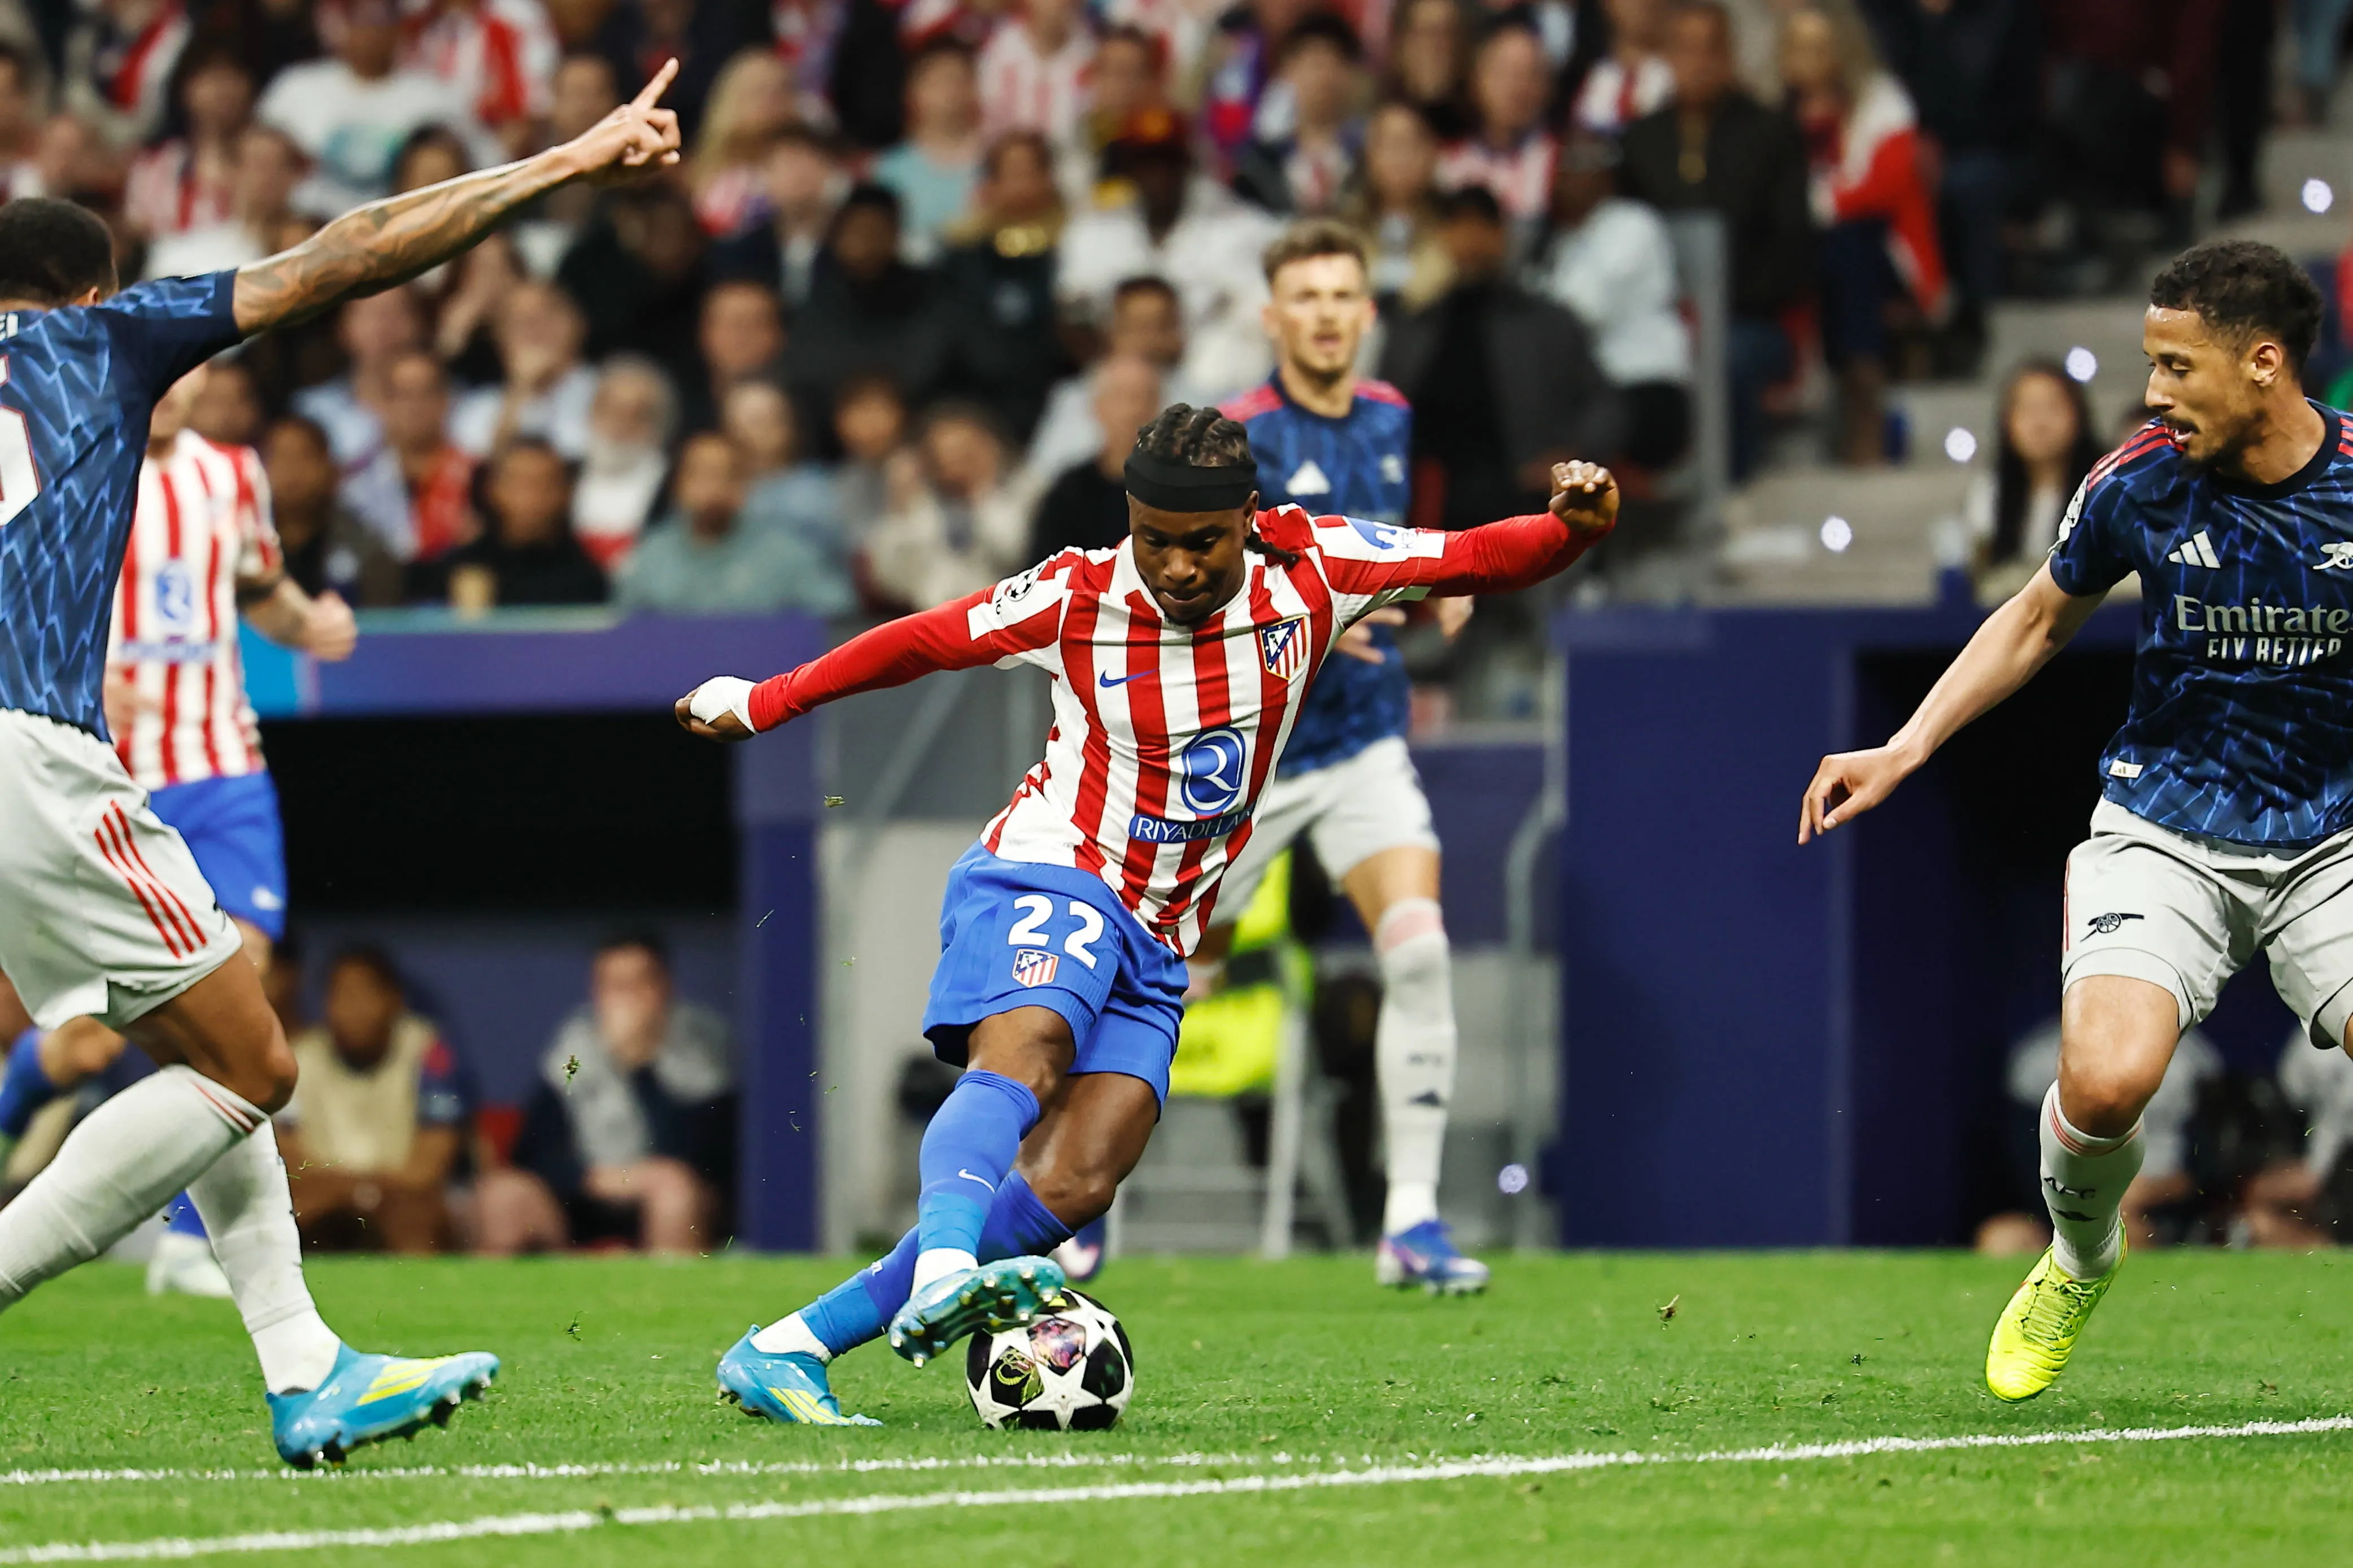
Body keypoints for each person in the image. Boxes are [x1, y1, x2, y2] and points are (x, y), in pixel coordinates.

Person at [0, 54, 681, 1465]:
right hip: (30, 745)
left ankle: (306, 1365)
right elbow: (344, 257)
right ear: (84, 293)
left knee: (199, 1031)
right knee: (251, 1062)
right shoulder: (99, 341)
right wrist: (560, 164)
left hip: (63, 760)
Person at [675, 408, 1618, 1423]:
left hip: (1162, 930)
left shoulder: (1318, 568)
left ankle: (789, 1345)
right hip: (1053, 869)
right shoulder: (1078, 592)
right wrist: (768, 699)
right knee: (1026, 1053)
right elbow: (923, 639)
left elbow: (1484, 554)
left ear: (1249, 520)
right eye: (1152, 536)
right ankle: (947, 1265)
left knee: (1078, 1181)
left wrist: (1578, 527)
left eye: (1199, 542)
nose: (1172, 565)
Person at [1796, 241, 2353, 1404]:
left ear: (2262, 366)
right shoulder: (2139, 478)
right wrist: (1905, 745)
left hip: (2329, 838)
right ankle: (2079, 1256)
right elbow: (2039, 617)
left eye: (2174, 363)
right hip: (2167, 823)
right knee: (2102, 1082)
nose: (2151, 389)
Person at [0, 359, 363, 1296]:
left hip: (225, 768)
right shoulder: (67, 461)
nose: (172, 386)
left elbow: (259, 586)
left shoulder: (233, 475)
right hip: (113, 774)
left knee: (246, 998)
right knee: (91, 1038)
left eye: (187, 369)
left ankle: (186, 1240)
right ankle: (16, 1106)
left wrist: (305, 621)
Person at [1210, 221, 1484, 1291]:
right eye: (1305, 296)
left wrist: (1441, 573)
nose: (1325, 312)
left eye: (1342, 295)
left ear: (1367, 314)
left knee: (1416, 948)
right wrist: (1316, 614)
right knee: (1175, 982)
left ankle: (1409, 1222)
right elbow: (1202, 586)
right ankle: (1073, 1205)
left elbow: (1382, 554)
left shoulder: (1388, 418)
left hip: (1365, 735)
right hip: (1247, 752)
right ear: (1272, 316)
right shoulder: (1231, 436)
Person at [1619, 0, 1812, 482]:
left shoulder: (1772, 134)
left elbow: (1792, 247)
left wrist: (1720, 304)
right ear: (1666, 56)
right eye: (1685, 49)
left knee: (1726, 359)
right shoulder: (1641, 140)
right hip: (1659, 317)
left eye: (1710, 49)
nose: (1698, 62)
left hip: (1750, 320)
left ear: (1730, 55)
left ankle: (1732, 486)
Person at [473, 934, 734, 1256]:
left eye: (639, 985)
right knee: (503, 1195)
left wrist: (639, 1067)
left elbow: (700, 1157)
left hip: (664, 1200)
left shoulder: (700, 1048)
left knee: (673, 1189)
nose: (628, 1001)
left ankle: (673, 1303)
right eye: (615, 987)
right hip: (583, 1200)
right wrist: (599, 1180)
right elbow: (531, 1155)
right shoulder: (573, 1054)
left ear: (665, 988)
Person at [1380, 186, 1620, 532]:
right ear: (1443, 238)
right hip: (1423, 509)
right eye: (1458, 228)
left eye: (1481, 228)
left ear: (1502, 236)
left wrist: (1572, 457)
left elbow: (1607, 406)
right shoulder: (1415, 327)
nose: (1471, 242)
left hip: (1522, 500)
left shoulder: (1547, 322)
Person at [1780, 2, 1946, 467]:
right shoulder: (1776, 111)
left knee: (1848, 250)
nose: (1808, 59)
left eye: (1819, 47)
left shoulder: (1881, 100)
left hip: (1886, 254)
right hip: (1806, 253)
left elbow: (1884, 188)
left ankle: (1864, 389)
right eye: (1798, 47)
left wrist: (1815, 205)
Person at [1055, 108, 1279, 399]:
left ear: (1188, 164)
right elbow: (1072, 317)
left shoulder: (1244, 229)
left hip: (1212, 387)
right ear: (1128, 168)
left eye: (1168, 162)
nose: (1157, 175)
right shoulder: (1091, 233)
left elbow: (1264, 317)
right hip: (1121, 386)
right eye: (1146, 163)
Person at [277, 946, 469, 1255]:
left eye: (365, 994)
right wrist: (353, 1191)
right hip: (326, 1198)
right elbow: (290, 1160)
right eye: (341, 995)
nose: (353, 1009)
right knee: (292, 1213)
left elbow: (432, 1161)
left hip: (402, 1198)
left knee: (418, 1217)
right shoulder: (297, 1058)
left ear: (394, 1000)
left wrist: (372, 1192)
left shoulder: (427, 1051)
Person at [1533, 130, 1693, 471]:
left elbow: (1579, 313)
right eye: (1565, 166)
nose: (1567, 177)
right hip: (1590, 396)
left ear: (1607, 175)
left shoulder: (1632, 224)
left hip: (1644, 392)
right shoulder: (1561, 241)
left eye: (1581, 165)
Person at [255, 0, 489, 214]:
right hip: (303, 233)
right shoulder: (296, 88)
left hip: (407, 232)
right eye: (362, 19)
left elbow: (484, 165)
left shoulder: (435, 98)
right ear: (344, 26)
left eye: (383, 20)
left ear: (400, 29)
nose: (372, 32)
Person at [618, 431, 855, 615]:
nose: (713, 487)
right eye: (701, 474)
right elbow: (625, 627)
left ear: (745, 485)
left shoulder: (786, 552)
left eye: (727, 475)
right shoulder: (653, 555)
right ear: (678, 486)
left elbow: (838, 614)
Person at [865, 404, 1038, 610]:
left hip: (1005, 615)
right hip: (930, 620)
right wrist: (901, 509)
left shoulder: (1026, 488)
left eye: (964, 452)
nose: (953, 463)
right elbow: (888, 580)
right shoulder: (920, 502)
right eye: (942, 454)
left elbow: (1017, 555)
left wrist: (983, 493)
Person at [1965, 362, 2101, 598]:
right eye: (2027, 409)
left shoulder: (2106, 488)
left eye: (2053, 407)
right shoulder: (1989, 493)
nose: (2040, 423)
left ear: (2079, 414)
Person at [426, 438, 608, 609]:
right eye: (519, 484)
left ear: (565, 493)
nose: (532, 498)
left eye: (544, 485)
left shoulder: (587, 578)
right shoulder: (460, 569)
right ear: (493, 490)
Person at [341, 349, 477, 569]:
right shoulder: (356, 484)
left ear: (446, 400)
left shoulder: (477, 477)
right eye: (403, 395)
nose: (415, 407)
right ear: (384, 404)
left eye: (426, 393)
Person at [263, 416, 406, 609]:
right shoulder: (243, 543)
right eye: (279, 457)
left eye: (305, 456)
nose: (291, 470)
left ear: (331, 468)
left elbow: (383, 624)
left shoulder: (366, 548)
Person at [1031, 353, 1161, 556]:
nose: (1134, 411)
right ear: (1097, 408)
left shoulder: (1182, 489)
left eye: (1145, 398)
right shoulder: (1069, 493)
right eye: (1121, 397)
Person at [872, 38, 987, 263]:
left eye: (959, 80)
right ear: (913, 91)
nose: (950, 93)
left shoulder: (996, 162)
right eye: (939, 82)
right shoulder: (888, 171)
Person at [572, 356, 679, 569]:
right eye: (611, 410)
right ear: (591, 414)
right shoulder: (562, 476)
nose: (621, 426)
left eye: (638, 416)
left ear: (661, 425)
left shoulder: (676, 487)